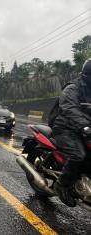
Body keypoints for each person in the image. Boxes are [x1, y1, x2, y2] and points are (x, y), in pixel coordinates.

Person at [52, 58, 91, 207]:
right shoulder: (72, 88)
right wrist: (85, 126)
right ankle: (62, 184)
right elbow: (69, 109)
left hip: (84, 130)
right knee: (78, 155)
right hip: (65, 128)